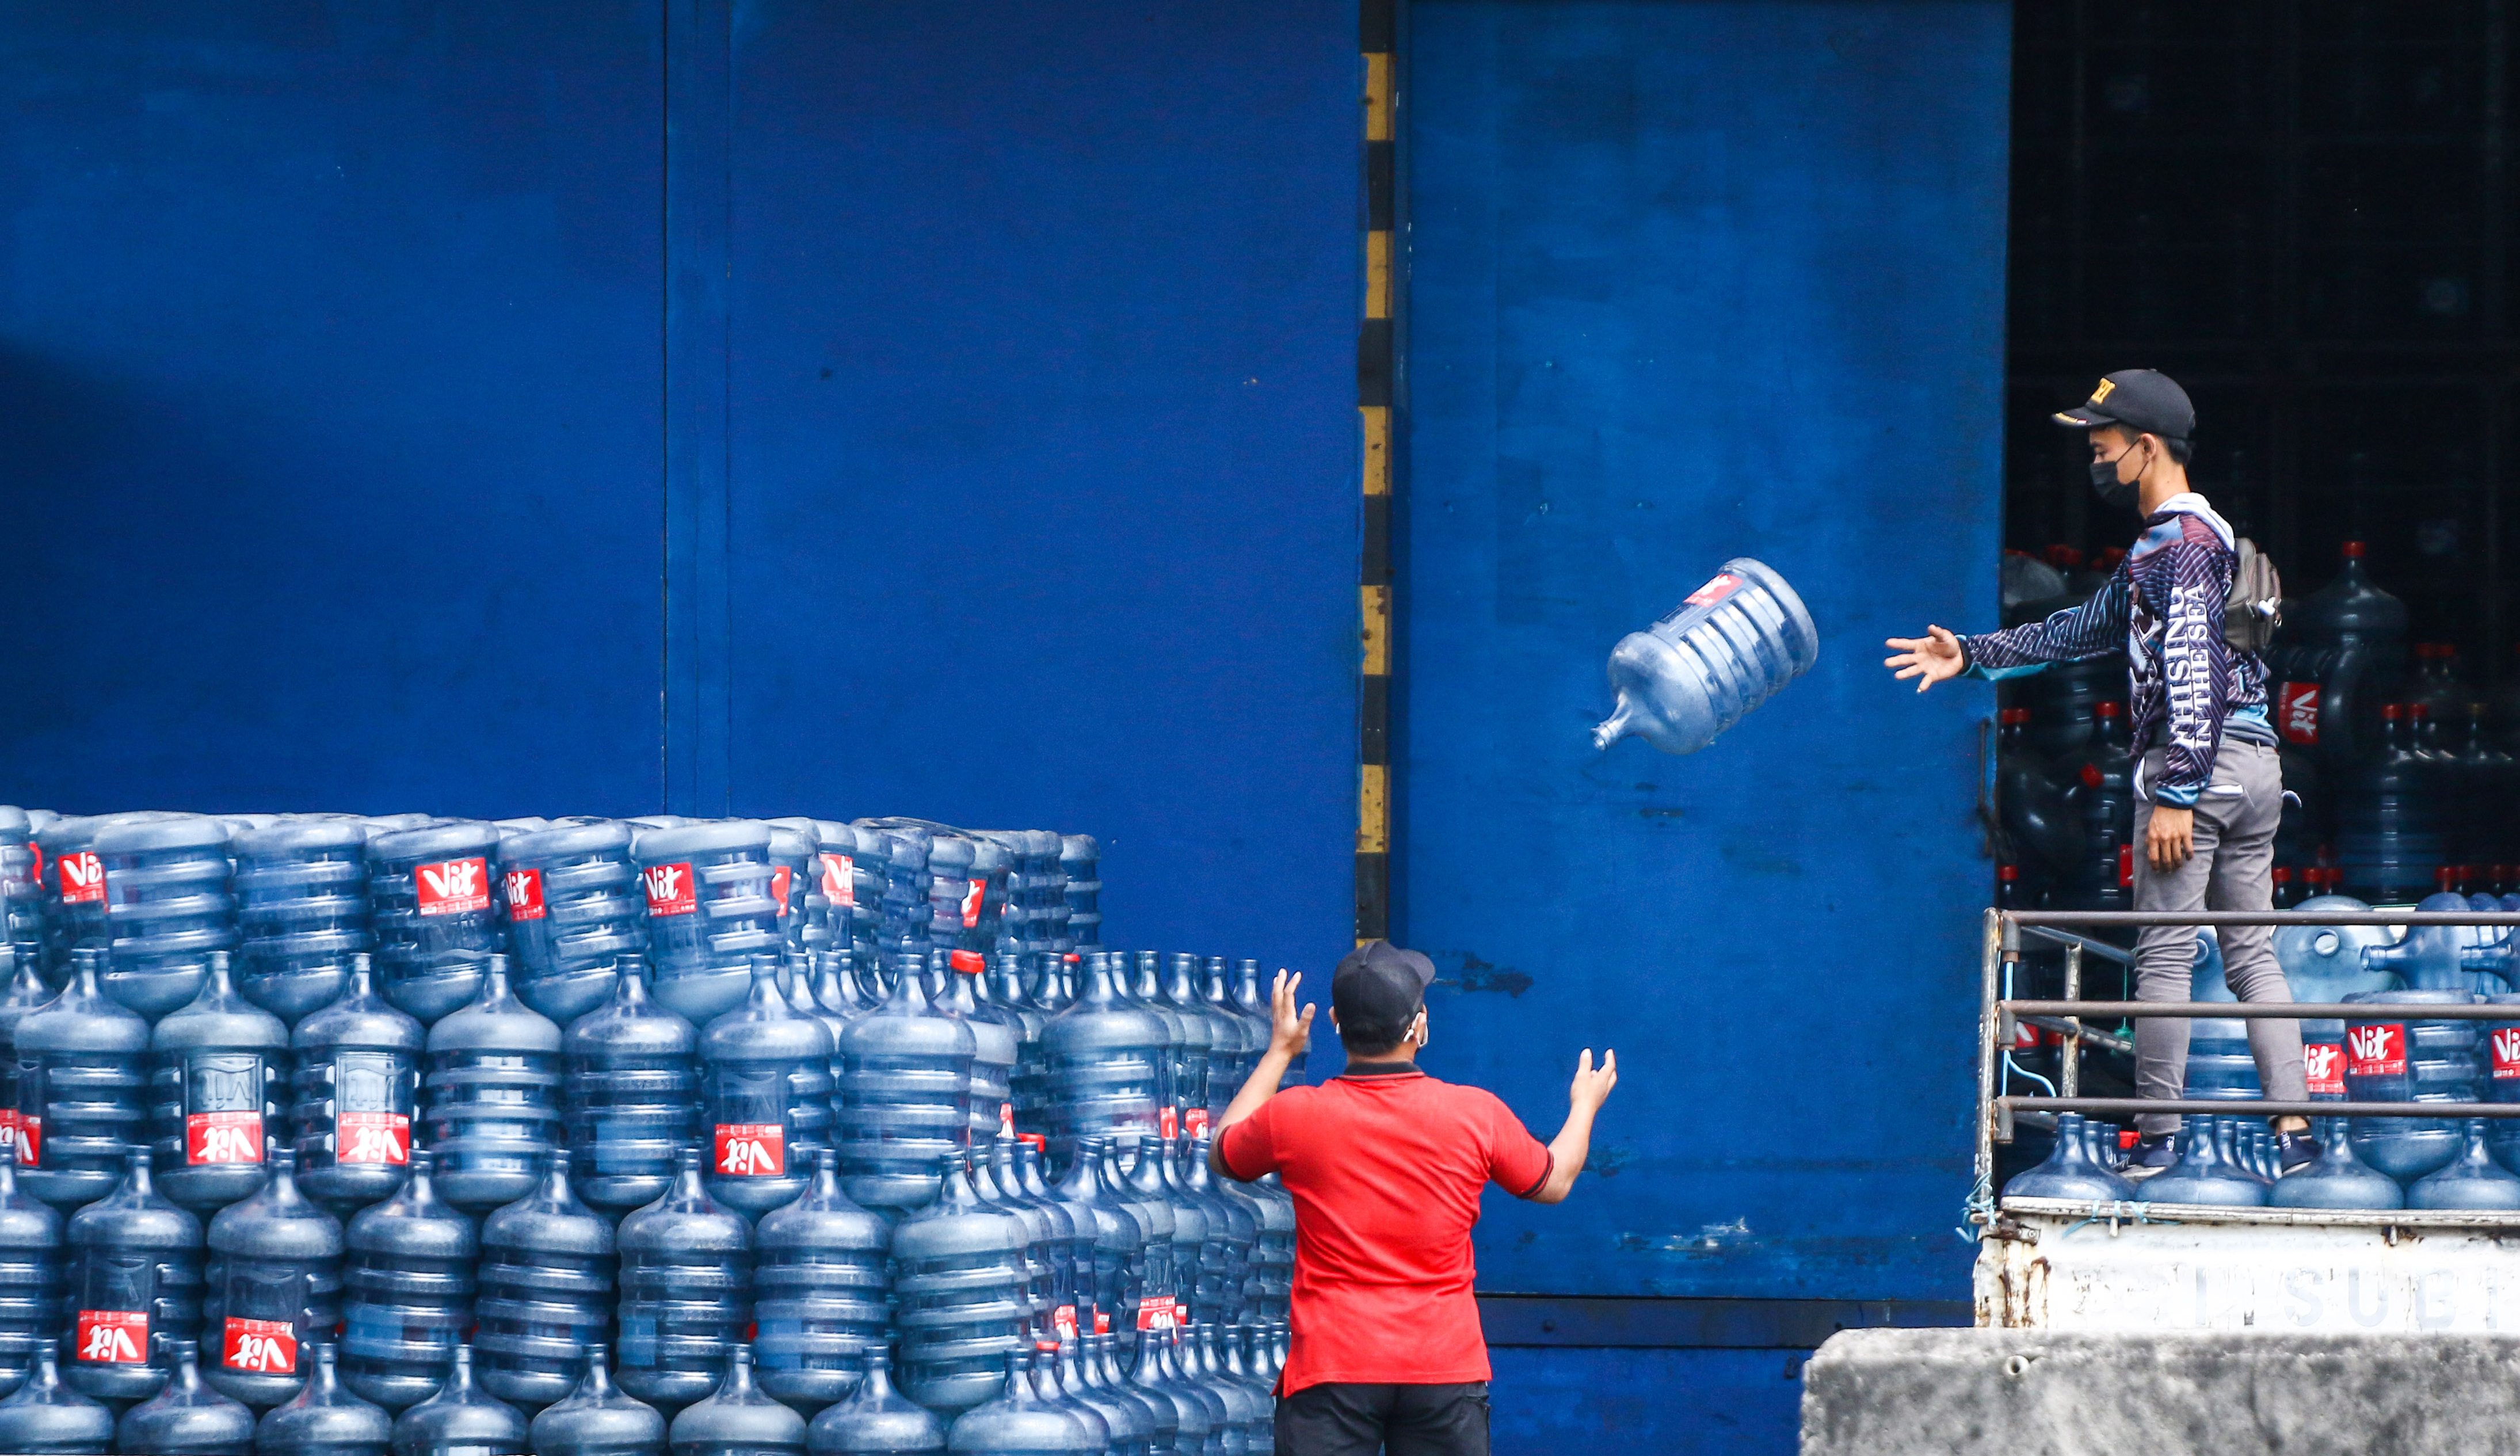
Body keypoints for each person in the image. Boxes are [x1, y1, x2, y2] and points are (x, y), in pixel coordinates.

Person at [1881, 368, 2315, 1174]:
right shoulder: (2185, 541)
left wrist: (2176, 790)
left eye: (2102, 444)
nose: (2095, 458)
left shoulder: (2177, 546)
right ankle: (2294, 1134)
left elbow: (2187, 664)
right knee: (2251, 953)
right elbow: (2084, 628)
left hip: (2202, 766)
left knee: (2161, 952)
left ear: (2145, 447)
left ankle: (2156, 1143)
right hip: (2253, 761)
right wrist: (1971, 656)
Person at [1210, 940, 1617, 1456]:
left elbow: (1224, 1153)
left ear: (1335, 1020)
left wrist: (1281, 1052)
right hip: (1443, 1367)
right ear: (1418, 1026)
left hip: (1332, 1367)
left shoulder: (1293, 1115)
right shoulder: (1475, 1114)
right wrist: (1584, 1106)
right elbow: (1553, 1182)